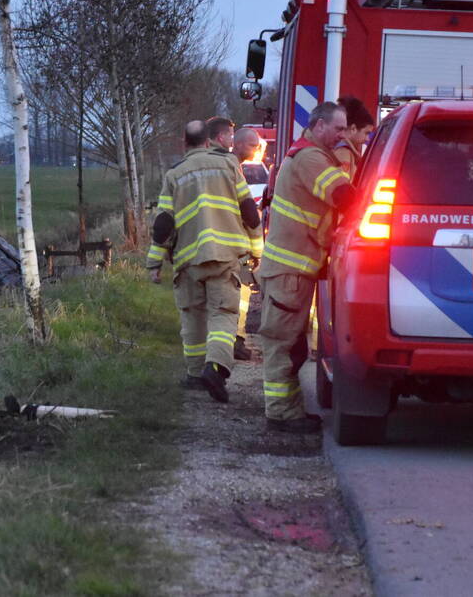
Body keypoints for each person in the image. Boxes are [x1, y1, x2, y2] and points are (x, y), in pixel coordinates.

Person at [146, 120, 263, 403]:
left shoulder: (174, 174)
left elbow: (163, 224)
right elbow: (249, 210)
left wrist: (154, 262)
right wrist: (257, 249)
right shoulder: (227, 165)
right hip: (224, 257)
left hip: (188, 259)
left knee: (193, 316)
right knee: (223, 315)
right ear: (208, 142)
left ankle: (195, 374)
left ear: (183, 143)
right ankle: (216, 367)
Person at [258, 102, 356, 433]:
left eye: (345, 129)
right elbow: (344, 196)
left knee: (292, 345)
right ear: (318, 127)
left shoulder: (311, 154)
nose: (343, 135)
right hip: (290, 270)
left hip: (294, 269)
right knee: (282, 343)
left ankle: (287, 410)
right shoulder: (311, 159)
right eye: (339, 129)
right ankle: (281, 414)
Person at [230, 126, 265, 361]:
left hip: (223, 244)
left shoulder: (232, 166)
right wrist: (257, 251)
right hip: (235, 246)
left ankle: (234, 340)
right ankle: (236, 342)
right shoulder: (232, 168)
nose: (257, 149)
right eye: (253, 145)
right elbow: (250, 212)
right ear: (239, 144)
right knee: (239, 297)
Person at [334, 95, 377, 178]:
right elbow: (343, 188)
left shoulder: (342, 150)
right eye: (366, 133)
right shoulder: (343, 153)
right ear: (353, 129)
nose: (367, 138)